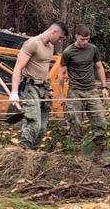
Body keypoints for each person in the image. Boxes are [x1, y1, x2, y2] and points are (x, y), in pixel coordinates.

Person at [8, 21, 66, 149]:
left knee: (42, 127)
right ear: (54, 32)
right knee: (34, 123)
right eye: (60, 37)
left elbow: (44, 69)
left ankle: (32, 155)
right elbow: (17, 68)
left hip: (43, 88)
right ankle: (23, 152)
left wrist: (49, 89)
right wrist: (14, 92)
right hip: (31, 88)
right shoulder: (32, 43)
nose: (60, 41)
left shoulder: (50, 47)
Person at [60, 26, 110, 162]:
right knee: (75, 123)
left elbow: (99, 67)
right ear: (76, 36)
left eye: (87, 39)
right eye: (82, 39)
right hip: (75, 91)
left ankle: (98, 156)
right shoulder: (68, 52)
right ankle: (78, 156)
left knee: (100, 121)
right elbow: (61, 74)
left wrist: (104, 87)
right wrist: (61, 95)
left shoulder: (93, 49)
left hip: (91, 90)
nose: (85, 42)